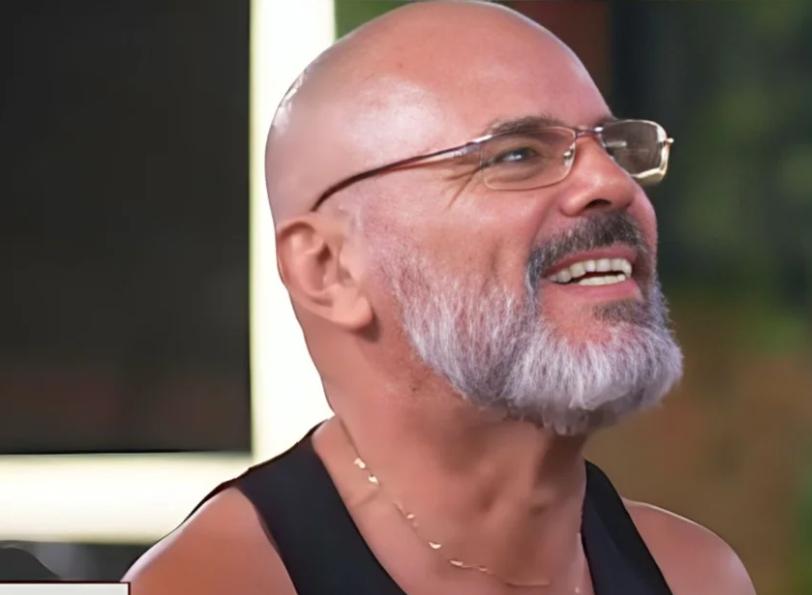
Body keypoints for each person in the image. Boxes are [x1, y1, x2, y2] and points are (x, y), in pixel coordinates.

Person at [124, 2, 756, 594]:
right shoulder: (210, 581)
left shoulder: (695, 575)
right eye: (517, 155)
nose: (611, 184)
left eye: (614, 148)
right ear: (330, 270)